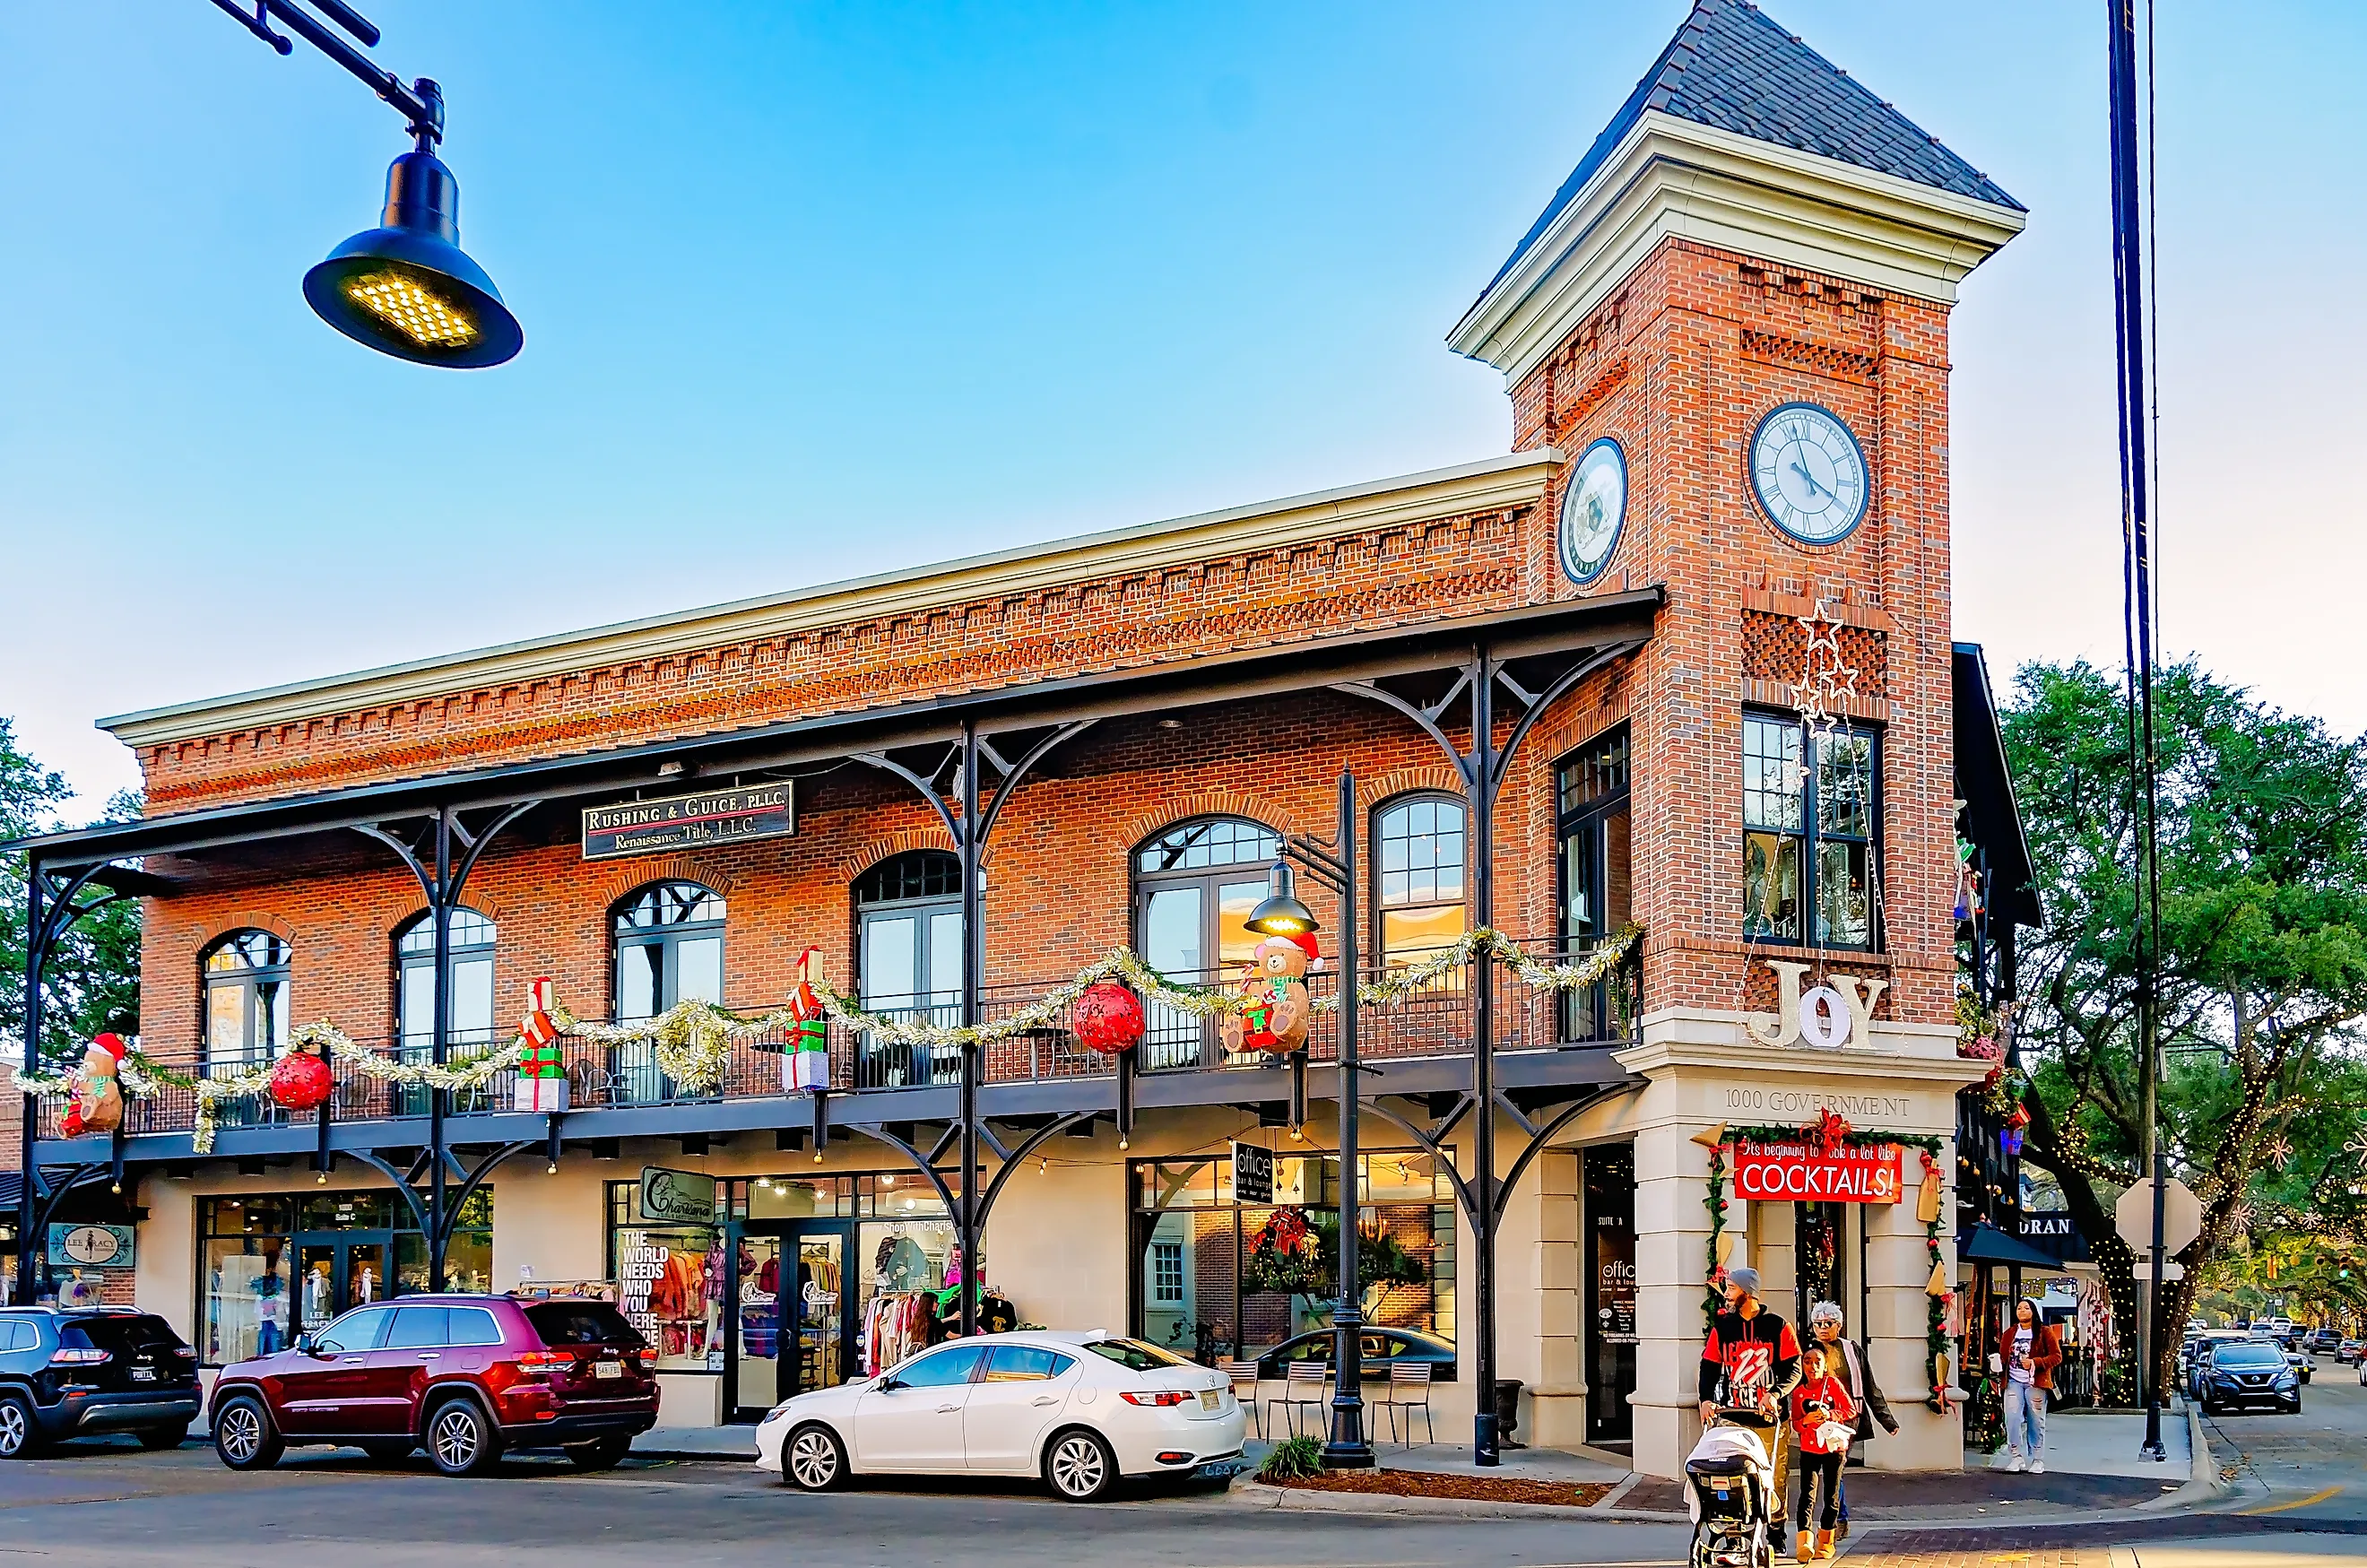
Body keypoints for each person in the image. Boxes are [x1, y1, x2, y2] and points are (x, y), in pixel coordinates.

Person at [1699, 1266, 1804, 1533]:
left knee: (1774, 1478)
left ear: (1748, 1292)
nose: (1726, 1294)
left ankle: (1776, 1531)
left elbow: (1795, 1369)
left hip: (1769, 1418)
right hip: (1732, 1415)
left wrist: (1775, 1393)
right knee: (1731, 1476)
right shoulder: (1723, 1327)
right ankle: (1736, 1532)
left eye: (1732, 1288)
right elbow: (1709, 1366)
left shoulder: (1778, 1326)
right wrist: (1705, 1399)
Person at [1808, 1300, 1896, 1540]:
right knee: (1831, 1470)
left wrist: (1887, 1420)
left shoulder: (1852, 1350)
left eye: (1828, 1323)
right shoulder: (1809, 1351)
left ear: (1839, 1325)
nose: (1823, 1328)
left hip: (1848, 1419)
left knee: (1835, 1467)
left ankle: (1839, 1519)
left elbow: (1869, 1386)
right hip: (1818, 1419)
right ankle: (1838, 1518)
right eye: (1818, 1324)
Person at [1787, 1343, 1857, 1561]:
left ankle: (1826, 1540)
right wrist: (1806, 1420)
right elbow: (1796, 1423)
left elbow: (1851, 1410)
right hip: (1809, 1449)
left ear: (1825, 1365)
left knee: (1832, 1496)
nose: (1812, 1366)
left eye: (1817, 1362)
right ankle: (1804, 1541)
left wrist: (1831, 1415)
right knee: (1807, 1495)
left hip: (1833, 1448)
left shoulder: (1833, 1384)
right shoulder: (1799, 1393)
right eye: (1807, 1362)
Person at [1996, 1296, 2061, 1473]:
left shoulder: (2044, 1332)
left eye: (2026, 1308)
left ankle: (2037, 1459)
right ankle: (2016, 1457)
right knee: (2012, 1418)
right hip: (2013, 1381)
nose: (2022, 1311)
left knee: (2036, 1420)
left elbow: (2057, 1356)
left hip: (2035, 1382)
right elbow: (2004, 1357)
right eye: (2019, 1308)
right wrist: (1997, 1363)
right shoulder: (2010, 1333)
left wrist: (2035, 1362)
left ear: (2033, 1311)